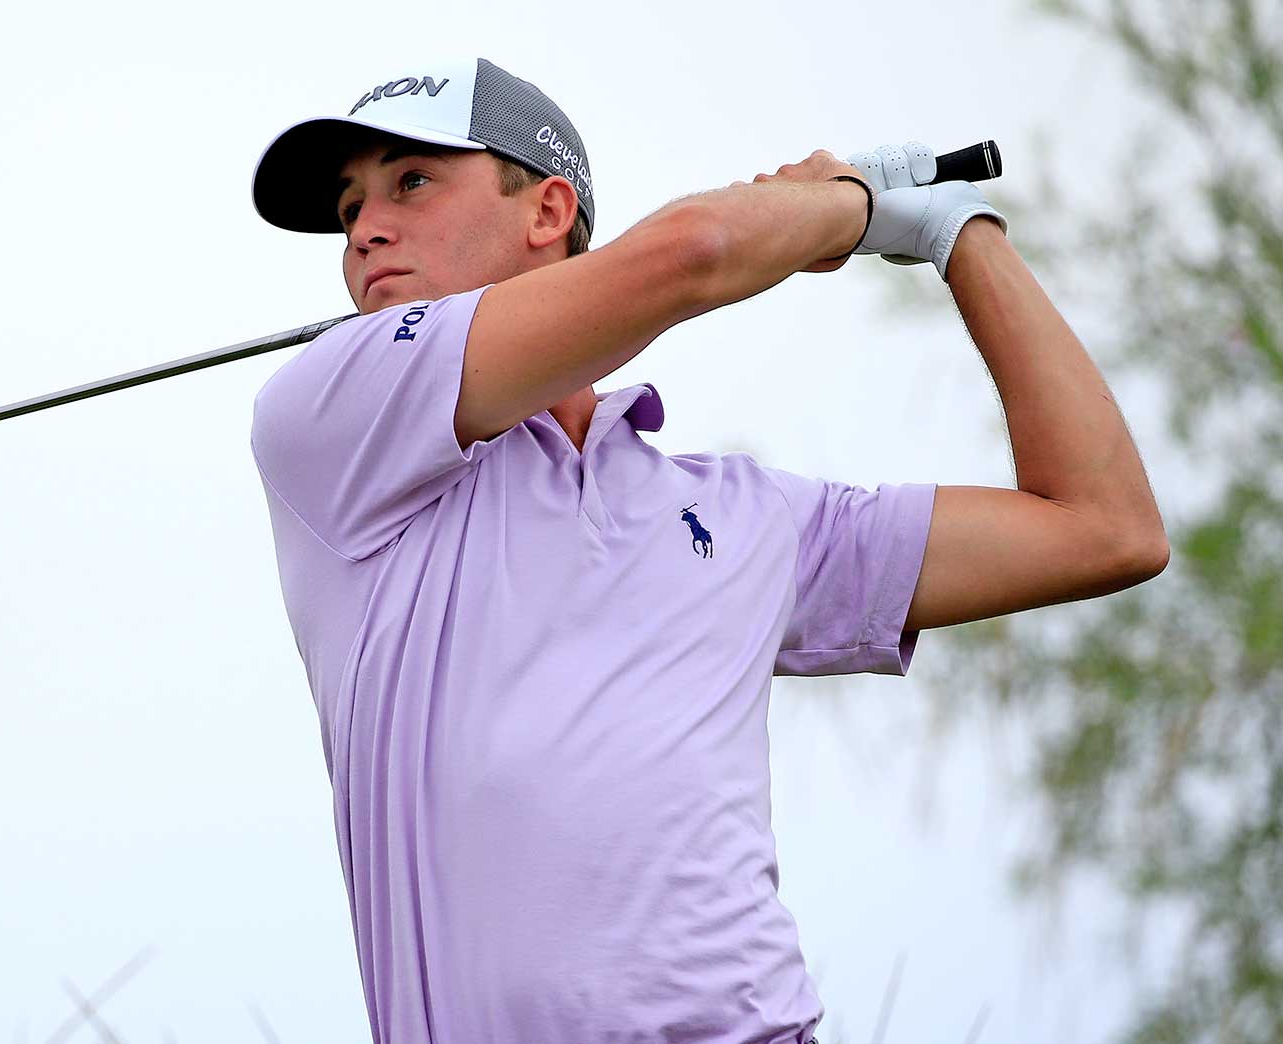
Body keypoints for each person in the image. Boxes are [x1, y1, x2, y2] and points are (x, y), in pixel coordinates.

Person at [245, 57, 1168, 1044]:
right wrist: (844, 206)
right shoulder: (332, 414)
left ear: (546, 210)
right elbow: (701, 249)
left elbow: (1102, 527)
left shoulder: (736, 518)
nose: (365, 231)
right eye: (349, 210)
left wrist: (957, 233)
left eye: (410, 182)